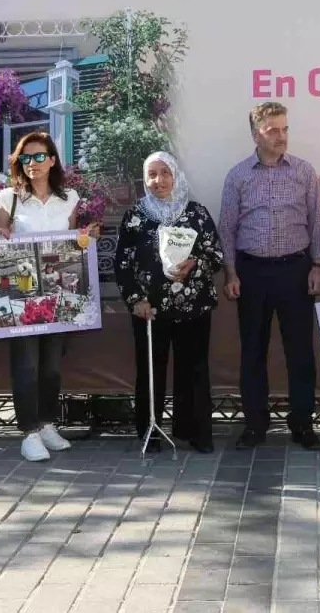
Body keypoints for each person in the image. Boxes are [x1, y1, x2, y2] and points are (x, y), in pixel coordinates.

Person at [220, 102, 320, 451]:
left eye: (284, 129)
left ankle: (303, 424)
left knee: (300, 351)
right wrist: (231, 273)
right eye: (273, 130)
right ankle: (255, 425)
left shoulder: (303, 171)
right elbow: (227, 228)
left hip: (295, 272)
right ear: (256, 134)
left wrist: (318, 266)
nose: (281, 136)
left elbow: (317, 223)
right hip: (251, 273)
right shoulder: (238, 176)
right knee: (253, 350)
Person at [0, 131, 99, 462]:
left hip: (58, 292)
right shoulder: (7, 197)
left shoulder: (69, 198)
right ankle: (28, 432)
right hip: (22, 294)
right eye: (26, 158)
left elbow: (72, 241)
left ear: (52, 160)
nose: (33, 163)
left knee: (51, 365)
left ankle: (48, 424)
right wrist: (1, 234)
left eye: (40, 157)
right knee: (26, 365)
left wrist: (86, 237)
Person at [116, 151, 224, 453]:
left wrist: (195, 264)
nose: (158, 180)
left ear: (175, 175)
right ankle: (149, 431)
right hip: (150, 309)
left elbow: (215, 255)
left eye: (165, 173)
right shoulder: (135, 216)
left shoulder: (196, 213)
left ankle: (193, 432)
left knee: (194, 369)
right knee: (151, 371)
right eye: (152, 174)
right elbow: (122, 264)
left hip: (194, 306)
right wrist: (136, 300)